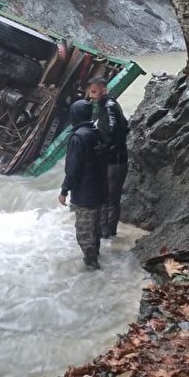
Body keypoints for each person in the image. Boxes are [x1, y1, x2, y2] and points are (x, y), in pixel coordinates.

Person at [58, 99, 113, 270]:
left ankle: (92, 266)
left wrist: (64, 190)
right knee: (95, 228)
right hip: (100, 190)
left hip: (85, 194)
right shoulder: (97, 133)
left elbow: (73, 169)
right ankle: (95, 259)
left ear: (74, 116)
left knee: (84, 232)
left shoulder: (78, 138)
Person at [84, 76, 129, 239]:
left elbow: (113, 130)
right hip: (117, 159)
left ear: (105, 91)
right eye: (91, 92)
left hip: (113, 161)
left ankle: (106, 233)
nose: (91, 96)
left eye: (95, 92)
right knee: (111, 197)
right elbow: (125, 126)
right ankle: (108, 233)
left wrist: (101, 149)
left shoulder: (109, 107)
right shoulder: (110, 105)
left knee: (107, 197)